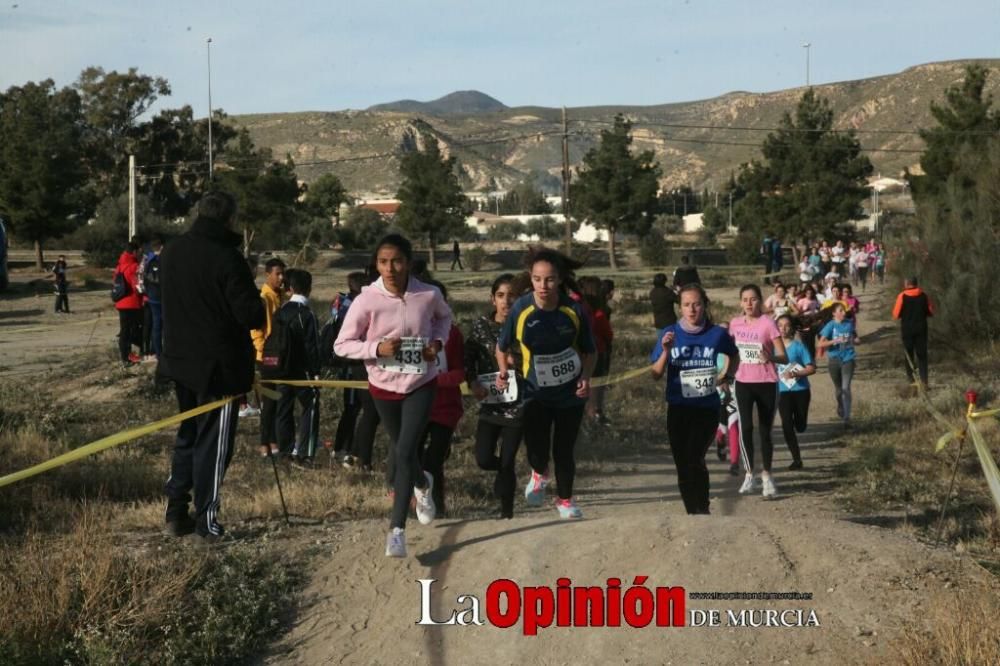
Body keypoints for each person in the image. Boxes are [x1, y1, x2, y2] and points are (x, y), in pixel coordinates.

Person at [334, 233, 451, 558]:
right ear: (376, 264)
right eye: (383, 262)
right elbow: (342, 344)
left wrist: (437, 344)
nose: (389, 268)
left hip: (420, 384)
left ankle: (396, 530)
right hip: (383, 386)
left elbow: (445, 319)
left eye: (396, 261)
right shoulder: (366, 299)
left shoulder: (428, 294)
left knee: (402, 451)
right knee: (405, 452)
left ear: (409, 263)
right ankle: (423, 484)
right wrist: (376, 348)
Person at [158, 190, 265, 542]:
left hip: (179, 361)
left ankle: (176, 511)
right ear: (228, 220)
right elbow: (250, 314)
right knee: (214, 445)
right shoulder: (226, 258)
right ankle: (208, 522)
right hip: (219, 368)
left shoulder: (172, 250)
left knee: (187, 436)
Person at [496, 247, 596, 520]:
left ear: (560, 279)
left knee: (564, 449)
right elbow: (501, 348)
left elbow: (591, 351)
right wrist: (503, 371)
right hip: (534, 392)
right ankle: (539, 473)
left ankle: (565, 500)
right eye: (538, 279)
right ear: (531, 278)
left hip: (569, 393)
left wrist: (586, 377)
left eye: (550, 279)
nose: (543, 285)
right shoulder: (521, 308)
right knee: (537, 449)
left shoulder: (574, 309)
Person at [650, 284, 738, 514]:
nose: (692, 309)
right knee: (682, 462)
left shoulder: (717, 334)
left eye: (696, 304)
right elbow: (655, 374)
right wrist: (667, 351)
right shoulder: (669, 333)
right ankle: (692, 511)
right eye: (686, 305)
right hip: (678, 408)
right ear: (679, 307)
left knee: (694, 455)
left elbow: (734, 354)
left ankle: (703, 507)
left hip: (706, 408)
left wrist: (727, 376)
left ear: (704, 305)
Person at [465, 273, 523, 519]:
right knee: (483, 458)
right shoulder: (480, 326)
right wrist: (471, 381)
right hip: (490, 403)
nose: (506, 301)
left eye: (512, 296)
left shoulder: (526, 326)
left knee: (508, 459)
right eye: (501, 296)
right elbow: (468, 357)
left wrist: (515, 361)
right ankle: (505, 476)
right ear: (492, 300)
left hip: (519, 405)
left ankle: (506, 511)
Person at [729, 284, 788, 498]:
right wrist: (725, 375)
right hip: (743, 382)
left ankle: (767, 476)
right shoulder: (735, 324)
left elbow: (784, 357)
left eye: (753, 299)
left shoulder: (768, 324)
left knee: (764, 431)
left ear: (760, 301)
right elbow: (730, 353)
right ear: (740, 302)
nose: (749, 303)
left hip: (766, 382)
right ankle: (748, 475)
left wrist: (769, 357)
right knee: (745, 429)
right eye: (745, 299)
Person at [416, 280, 465, 516]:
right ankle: (413, 505)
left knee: (434, 458)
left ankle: (437, 506)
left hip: (446, 409)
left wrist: (434, 380)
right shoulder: (411, 331)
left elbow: (459, 373)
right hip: (416, 407)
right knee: (412, 457)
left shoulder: (453, 334)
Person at [272, 268, 322, 466]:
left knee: (283, 410)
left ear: (290, 288)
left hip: (281, 369)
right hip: (303, 372)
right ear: (309, 289)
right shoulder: (307, 314)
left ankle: (284, 452)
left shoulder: (280, 312)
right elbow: (312, 346)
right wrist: (316, 371)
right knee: (310, 407)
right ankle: (305, 454)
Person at [329, 271, 370, 465]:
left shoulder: (343, 304)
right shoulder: (351, 307)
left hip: (361, 364)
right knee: (352, 408)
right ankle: (343, 449)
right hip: (352, 364)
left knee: (360, 409)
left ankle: (350, 448)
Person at [250, 257, 286, 455]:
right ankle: (265, 441)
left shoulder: (278, 295)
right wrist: (261, 351)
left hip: (278, 353)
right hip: (267, 355)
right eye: (277, 274)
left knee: (278, 399)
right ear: (268, 274)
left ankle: (273, 438)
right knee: (269, 401)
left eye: (283, 274)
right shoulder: (265, 297)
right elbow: (257, 329)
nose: (281, 278)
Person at [775, 314, 816, 470]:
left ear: (791, 327)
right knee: (786, 425)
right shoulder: (772, 347)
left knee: (800, 426)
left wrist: (796, 374)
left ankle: (801, 423)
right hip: (782, 392)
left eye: (786, 325)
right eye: (780, 325)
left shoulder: (799, 346)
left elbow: (811, 368)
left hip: (801, 391)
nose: (783, 329)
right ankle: (797, 459)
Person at [817, 303, 858, 427]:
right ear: (834, 313)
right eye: (841, 311)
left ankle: (847, 418)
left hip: (848, 358)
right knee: (839, 389)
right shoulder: (830, 326)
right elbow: (820, 344)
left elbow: (855, 337)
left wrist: (856, 341)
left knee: (846, 388)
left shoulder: (849, 324)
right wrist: (834, 341)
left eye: (844, 310)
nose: (844, 313)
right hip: (834, 360)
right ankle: (840, 404)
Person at [579, 276, 614, 426]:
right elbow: (608, 335)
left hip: (581, 354)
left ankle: (588, 414)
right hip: (598, 353)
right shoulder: (598, 315)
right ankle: (595, 414)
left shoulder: (578, 310)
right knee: (597, 387)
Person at [892, 276, 934, 388]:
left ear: (906, 284)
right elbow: (931, 311)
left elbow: (895, 315)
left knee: (909, 355)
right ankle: (924, 381)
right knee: (922, 355)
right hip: (921, 329)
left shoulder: (902, 296)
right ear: (916, 284)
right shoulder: (924, 295)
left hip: (907, 330)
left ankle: (911, 380)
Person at [114, 242, 144, 368]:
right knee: (131, 330)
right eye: (139, 251)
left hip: (120, 302)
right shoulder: (134, 266)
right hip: (131, 303)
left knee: (124, 330)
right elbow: (137, 286)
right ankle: (128, 357)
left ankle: (125, 356)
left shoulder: (119, 266)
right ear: (134, 252)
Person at [143, 237, 164, 357]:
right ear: (161, 246)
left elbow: (144, 278)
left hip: (151, 296)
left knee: (155, 324)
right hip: (161, 297)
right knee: (164, 325)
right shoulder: (161, 260)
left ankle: (156, 350)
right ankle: (163, 350)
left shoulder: (148, 260)